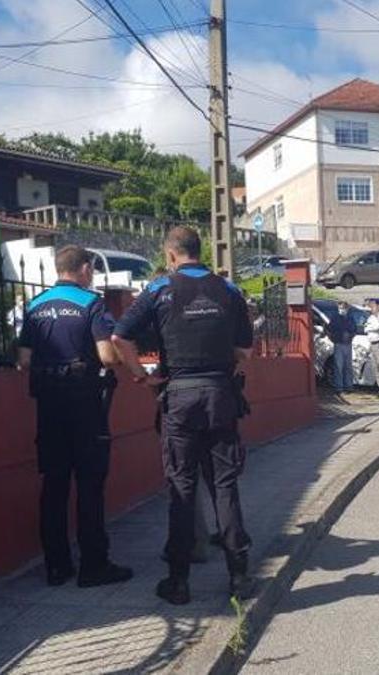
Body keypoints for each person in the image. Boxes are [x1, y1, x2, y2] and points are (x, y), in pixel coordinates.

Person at [111, 226, 255, 605]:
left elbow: (119, 338)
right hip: (221, 395)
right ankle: (239, 577)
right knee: (224, 485)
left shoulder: (159, 290)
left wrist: (142, 376)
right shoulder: (228, 290)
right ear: (200, 250)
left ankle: (178, 581)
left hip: (178, 396)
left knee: (181, 487)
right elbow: (245, 351)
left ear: (171, 254)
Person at [17, 245, 134, 588]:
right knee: (89, 486)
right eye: (92, 270)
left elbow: (24, 359)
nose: (93, 276)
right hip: (84, 406)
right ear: (83, 268)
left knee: (53, 486)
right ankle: (93, 565)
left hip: (48, 407)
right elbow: (107, 356)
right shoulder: (90, 303)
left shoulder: (35, 306)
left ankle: (56, 566)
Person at [327, 300, 357, 394]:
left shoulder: (350, 318)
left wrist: (351, 335)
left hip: (348, 344)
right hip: (339, 344)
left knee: (348, 366)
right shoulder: (335, 318)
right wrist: (334, 339)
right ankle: (339, 388)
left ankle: (349, 386)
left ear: (347, 308)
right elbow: (328, 330)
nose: (342, 309)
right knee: (338, 366)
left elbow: (355, 329)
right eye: (340, 308)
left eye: (343, 307)